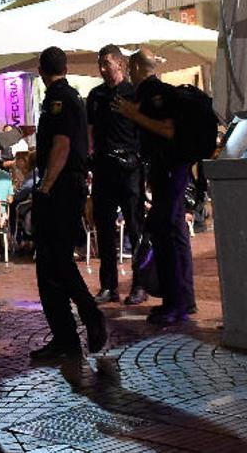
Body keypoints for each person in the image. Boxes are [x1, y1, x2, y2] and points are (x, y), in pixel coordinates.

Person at [29, 47, 107, 361]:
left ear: (40, 70)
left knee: (56, 260)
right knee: (48, 265)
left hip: (61, 188)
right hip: (65, 185)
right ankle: (65, 337)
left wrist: (46, 187)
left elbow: (61, 145)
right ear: (66, 66)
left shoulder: (59, 100)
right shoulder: (66, 97)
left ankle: (90, 315)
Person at [112, 48, 196, 325]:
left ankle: (176, 304)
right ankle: (181, 300)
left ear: (136, 67)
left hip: (171, 173)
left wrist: (133, 114)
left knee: (166, 235)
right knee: (172, 234)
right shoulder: (155, 92)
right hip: (168, 173)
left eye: (130, 68)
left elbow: (168, 129)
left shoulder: (154, 93)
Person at [86, 45, 147, 306]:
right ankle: (108, 286)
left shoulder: (134, 94)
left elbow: (144, 130)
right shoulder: (95, 95)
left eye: (107, 64)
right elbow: (89, 131)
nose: (102, 69)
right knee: (105, 230)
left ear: (120, 65)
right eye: (100, 64)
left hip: (130, 168)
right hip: (103, 168)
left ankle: (140, 284)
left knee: (135, 228)